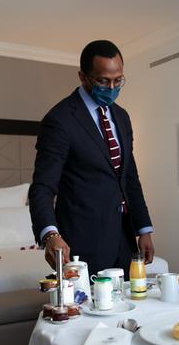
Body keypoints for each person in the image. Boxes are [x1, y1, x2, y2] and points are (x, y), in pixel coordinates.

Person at [29, 40, 155, 276]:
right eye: (103, 81)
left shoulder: (122, 117)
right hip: (82, 241)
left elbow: (128, 176)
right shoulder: (60, 120)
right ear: (83, 77)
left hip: (124, 239)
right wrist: (50, 235)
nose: (111, 87)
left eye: (118, 80)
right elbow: (43, 187)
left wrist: (143, 229)